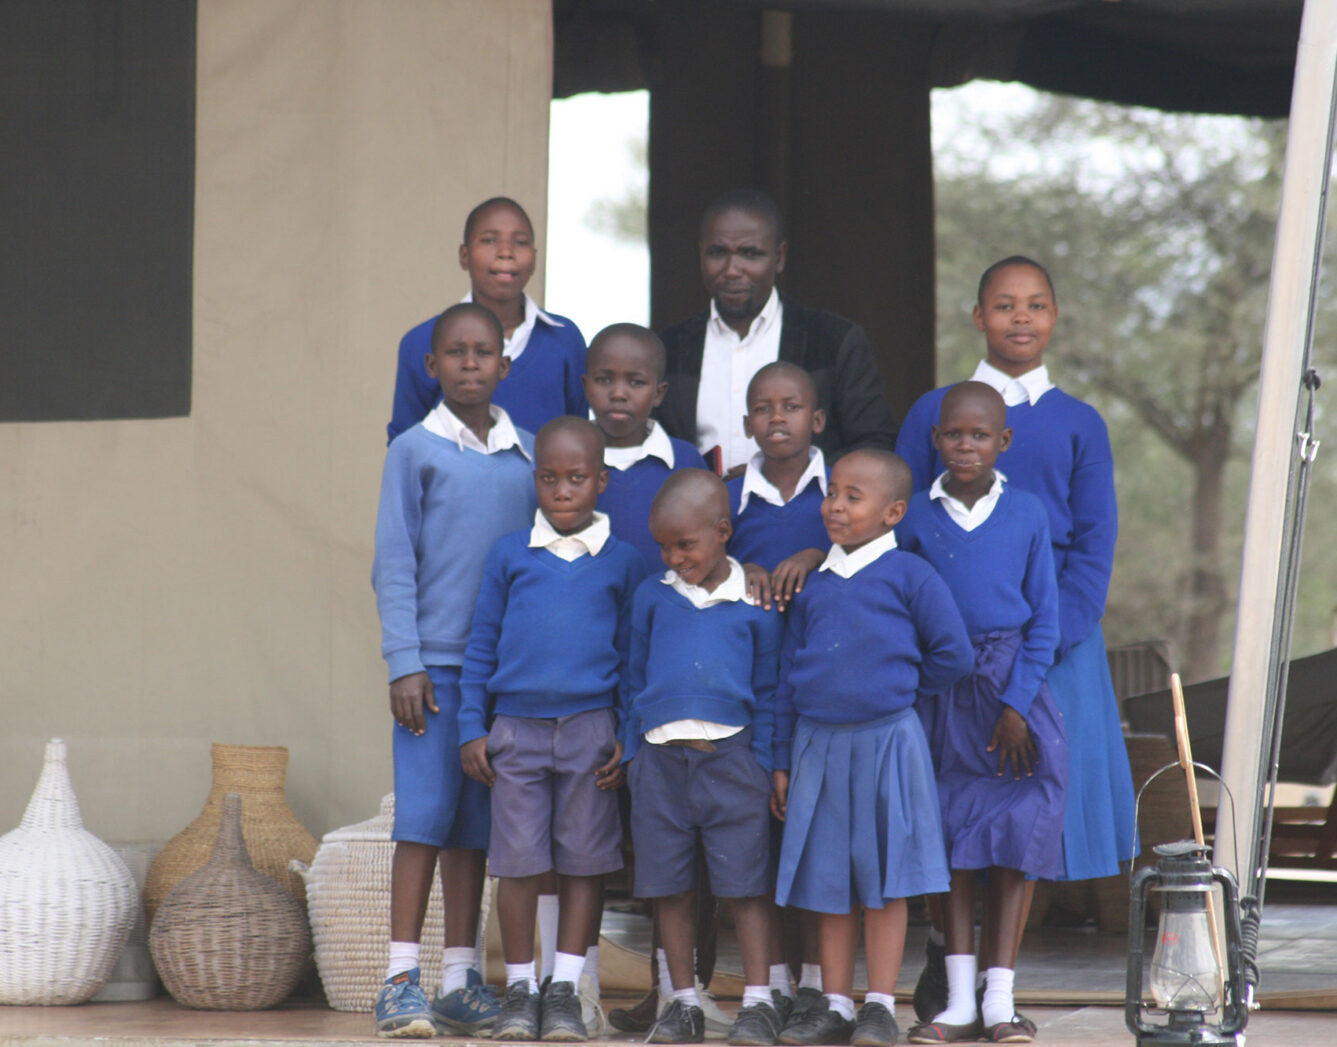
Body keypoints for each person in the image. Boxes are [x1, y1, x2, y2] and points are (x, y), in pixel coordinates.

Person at [895, 257, 1137, 1022]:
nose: (1020, 318)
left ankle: (1001, 991)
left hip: (1048, 641)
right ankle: (951, 976)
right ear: (977, 317)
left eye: (1035, 305)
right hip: (946, 651)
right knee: (950, 809)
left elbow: (1094, 541)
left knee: (1023, 818)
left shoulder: (1079, 422)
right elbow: (899, 521)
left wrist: (1044, 645)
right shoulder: (932, 410)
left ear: (1055, 316)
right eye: (1003, 305)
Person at [371, 302, 536, 1038]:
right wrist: (403, 661)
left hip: (498, 677)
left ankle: (458, 978)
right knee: (424, 818)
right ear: (431, 365)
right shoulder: (413, 448)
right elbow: (393, 560)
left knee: (475, 828)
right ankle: (398, 976)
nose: (470, 363)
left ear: (505, 362)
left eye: (484, 351)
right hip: (432, 671)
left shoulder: (528, 454)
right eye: (455, 353)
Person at [771, 449, 973, 1047]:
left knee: (886, 883)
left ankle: (879, 1007)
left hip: (889, 741)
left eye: (852, 496)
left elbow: (953, 654)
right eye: (831, 492)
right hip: (819, 746)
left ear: (893, 512)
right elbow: (788, 675)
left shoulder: (912, 576)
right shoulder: (813, 584)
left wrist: (898, 691)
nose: (834, 505)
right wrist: (781, 760)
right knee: (829, 883)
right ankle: (834, 1005)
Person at [458, 416, 646, 1043]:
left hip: (592, 730)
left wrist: (627, 729)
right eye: (549, 478)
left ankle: (564, 988)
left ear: (601, 481)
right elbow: (481, 643)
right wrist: (470, 727)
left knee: (585, 862)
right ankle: (521, 988)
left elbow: (631, 655)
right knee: (516, 862)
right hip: (515, 729)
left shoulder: (624, 561)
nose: (562, 490)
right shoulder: (511, 554)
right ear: (534, 479)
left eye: (576, 478)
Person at [896, 383, 1067, 1044]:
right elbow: (899, 610)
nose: (964, 446)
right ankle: (959, 1002)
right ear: (935, 439)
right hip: (940, 692)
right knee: (951, 844)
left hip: (1009, 695)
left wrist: (1015, 705)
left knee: (1014, 843)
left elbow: (1044, 622)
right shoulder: (912, 515)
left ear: (1003, 441)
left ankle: (1000, 999)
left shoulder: (1026, 514)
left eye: (978, 435)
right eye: (952, 435)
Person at [625, 470, 786, 1046]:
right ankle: (683, 1002)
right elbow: (632, 677)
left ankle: (760, 1003)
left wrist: (766, 764)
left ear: (722, 532)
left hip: (733, 761)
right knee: (670, 887)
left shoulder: (756, 602)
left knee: (746, 886)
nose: (673, 557)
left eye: (685, 545)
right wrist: (631, 753)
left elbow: (770, 691)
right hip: (659, 763)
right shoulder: (652, 595)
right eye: (663, 546)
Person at [724, 360, 831, 1019]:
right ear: (745, 425)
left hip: (821, 681)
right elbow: (701, 555)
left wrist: (816, 556)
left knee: (816, 836)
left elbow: (874, 545)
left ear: (815, 419)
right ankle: (778, 985)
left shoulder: (839, 489)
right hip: (753, 685)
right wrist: (745, 568)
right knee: (760, 836)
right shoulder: (731, 495)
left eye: (790, 405)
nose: (776, 418)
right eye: (762, 408)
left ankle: (819, 981)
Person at [656, 189, 898, 476]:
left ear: (779, 257)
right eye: (718, 252)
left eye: (750, 254)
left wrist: (780, 477)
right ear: (700, 255)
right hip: (697, 517)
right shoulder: (667, 349)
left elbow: (874, 445)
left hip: (807, 517)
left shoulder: (834, 341)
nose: (732, 270)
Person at [387, 196, 587, 442]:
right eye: (489, 240)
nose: (505, 253)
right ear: (464, 255)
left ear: (534, 259)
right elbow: (405, 447)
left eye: (520, 242)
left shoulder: (565, 339)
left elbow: (581, 436)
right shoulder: (422, 341)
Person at [585, 323, 709, 570]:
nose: (618, 393)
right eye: (604, 380)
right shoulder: (567, 460)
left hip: (668, 606)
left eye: (636, 382)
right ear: (585, 386)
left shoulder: (685, 462)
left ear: (659, 393)